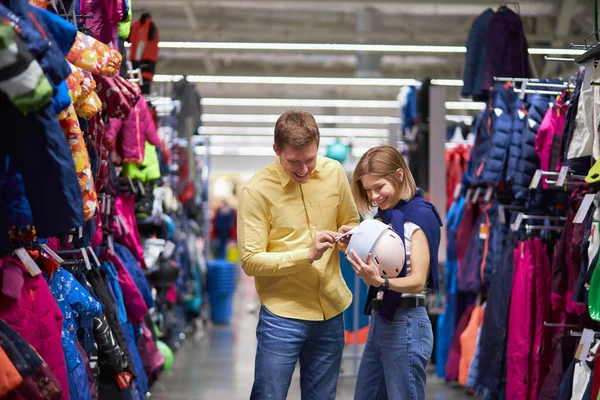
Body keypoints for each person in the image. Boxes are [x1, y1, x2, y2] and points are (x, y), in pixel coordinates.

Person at [237, 110, 360, 400]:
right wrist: (307, 253)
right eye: (294, 161)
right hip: (282, 316)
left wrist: (349, 238)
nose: (304, 169)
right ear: (276, 150)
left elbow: (351, 224)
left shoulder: (334, 174)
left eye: (310, 159)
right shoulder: (256, 191)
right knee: (269, 395)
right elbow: (250, 260)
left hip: (331, 309)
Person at [339, 145, 442, 400]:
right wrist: (352, 243)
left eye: (378, 187)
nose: (374, 196)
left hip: (406, 321)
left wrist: (381, 282)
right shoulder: (382, 219)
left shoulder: (419, 218)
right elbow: (383, 261)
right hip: (381, 319)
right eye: (367, 190)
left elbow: (418, 280)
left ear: (398, 175)